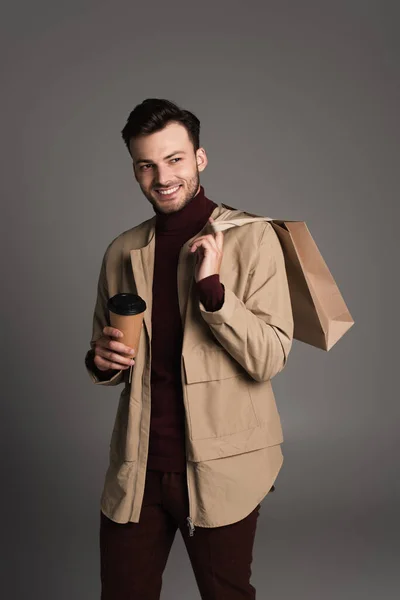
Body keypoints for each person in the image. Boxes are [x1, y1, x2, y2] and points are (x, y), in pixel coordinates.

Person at [84, 98, 294, 599]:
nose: (163, 177)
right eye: (147, 165)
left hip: (224, 468)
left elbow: (269, 357)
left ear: (200, 158)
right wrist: (101, 360)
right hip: (138, 468)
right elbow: (104, 352)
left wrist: (213, 289)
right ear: (135, 171)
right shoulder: (122, 250)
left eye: (175, 159)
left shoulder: (254, 239)